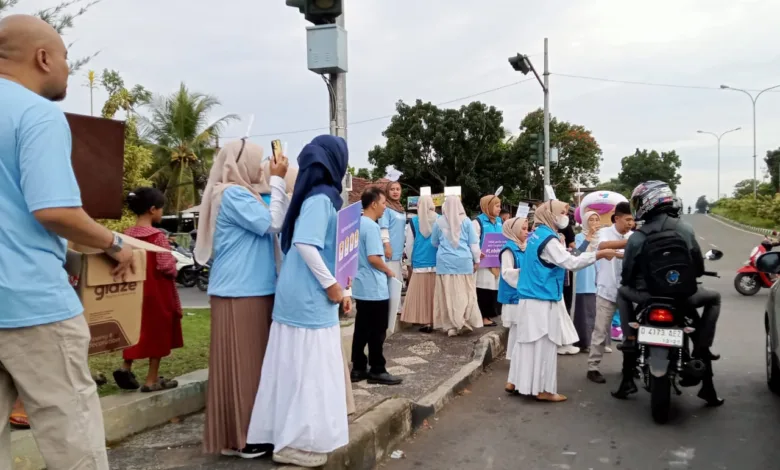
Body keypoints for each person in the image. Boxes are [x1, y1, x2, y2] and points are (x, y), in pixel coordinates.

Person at [0, 14, 136, 470]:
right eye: (64, 58)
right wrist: (114, 243)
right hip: (32, 306)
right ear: (43, 58)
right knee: (71, 437)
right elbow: (53, 210)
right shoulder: (36, 114)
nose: (66, 69)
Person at [246, 135, 350, 468]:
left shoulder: (310, 197)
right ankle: (295, 443)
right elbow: (306, 245)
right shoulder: (322, 199)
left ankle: (281, 434)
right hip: (309, 296)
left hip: (296, 294)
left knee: (291, 367)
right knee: (309, 369)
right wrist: (333, 286)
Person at [196, 140, 291, 458]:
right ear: (240, 164)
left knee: (251, 367)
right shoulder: (233, 194)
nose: (260, 166)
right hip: (241, 291)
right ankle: (244, 437)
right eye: (255, 160)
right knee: (244, 368)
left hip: (250, 290)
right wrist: (278, 180)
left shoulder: (242, 194)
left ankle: (247, 433)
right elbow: (272, 223)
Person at [613, 181, 724, 406]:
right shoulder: (685, 228)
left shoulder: (636, 237)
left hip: (647, 298)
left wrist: (637, 284)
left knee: (622, 293)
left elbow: (627, 276)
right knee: (714, 298)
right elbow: (698, 268)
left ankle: (629, 343)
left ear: (648, 203)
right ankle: (705, 361)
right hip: (683, 298)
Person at [507, 200, 616, 402]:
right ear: (550, 214)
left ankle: (516, 382)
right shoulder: (548, 240)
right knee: (545, 345)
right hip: (542, 298)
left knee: (526, 344)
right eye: (562, 212)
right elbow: (570, 262)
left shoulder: (536, 235)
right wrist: (599, 254)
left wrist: (592, 249)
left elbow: (567, 256)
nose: (565, 215)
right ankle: (544, 390)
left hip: (530, 297)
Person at [113, 188, 183, 392]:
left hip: (133, 291)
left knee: (133, 329)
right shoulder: (158, 237)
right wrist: (173, 259)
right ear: (153, 210)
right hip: (157, 291)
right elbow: (166, 266)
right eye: (161, 208)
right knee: (158, 332)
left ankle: (126, 367)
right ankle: (151, 379)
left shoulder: (125, 235)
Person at [350, 187, 403, 386]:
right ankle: (377, 368)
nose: (384, 208)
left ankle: (358, 367)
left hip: (361, 284)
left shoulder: (356, 224)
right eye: (382, 203)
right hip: (374, 286)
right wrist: (388, 270)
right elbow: (373, 257)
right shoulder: (371, 226)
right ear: (373, 204)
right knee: (377, 330)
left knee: (361, 328)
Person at [586, 202, 634, 384]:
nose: (630, 223)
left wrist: (629, 244)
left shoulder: (632, 236)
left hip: (628, 293)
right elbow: (603, 246)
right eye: (627, 219)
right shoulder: (605, 233)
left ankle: (628, 367)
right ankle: (593, 367)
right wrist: (630, 244)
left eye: (632, 220)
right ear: (617, 218)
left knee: (630, 333)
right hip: (606, 290)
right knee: (600, 331)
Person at [431, 195, 483, 337]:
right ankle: (464, 321)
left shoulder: (439, 222)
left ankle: (450, 326)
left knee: (447, 294)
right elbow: (474, 244)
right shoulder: (466, 222)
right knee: (465, 293)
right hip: (464, 262)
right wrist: (477, 260)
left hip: (445, 262)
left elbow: (434, 242)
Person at [498, 217, 528, 394]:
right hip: (514, 293)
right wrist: (525, 274)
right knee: (517, 327)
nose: (526, 231)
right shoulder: (509, 249)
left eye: (527, 228)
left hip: (521, 292)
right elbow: (507, 273)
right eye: (523, 229)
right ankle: (515, 359)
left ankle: (515, 358)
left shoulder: (523, 247)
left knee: (519, 328)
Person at [401, 194, 439, 332]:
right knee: (436, 293)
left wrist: (409, 261)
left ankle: (426, 322)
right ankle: (437, 320)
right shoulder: (439, 220)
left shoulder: (414, 221)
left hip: (420, 262)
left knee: (422, 295)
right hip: (437, 261)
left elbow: (409, 244)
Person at [473, 194, 503, 326]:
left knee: (494, 288)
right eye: (497, 206)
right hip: (484, 263)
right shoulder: (478, 222)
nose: (499, 209)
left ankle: (492, 313)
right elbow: (473, 242)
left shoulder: (499, 222)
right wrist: (478, 253)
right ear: (488, 206)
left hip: (496, 261)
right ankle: (483, 316)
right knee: (483, 288)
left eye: (499, 206)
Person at [572, 211, 600, 351]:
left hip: (597, 278)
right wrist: (588, 238)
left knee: (595, 313)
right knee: (583, 312)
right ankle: (584, 342)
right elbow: (575, 255)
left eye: (596, 219)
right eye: (591, 220)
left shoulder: (601, 238)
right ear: (585, 222)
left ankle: (597, 343)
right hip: (584, 278)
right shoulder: (579, 236)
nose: (594, 222)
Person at [380, 181, 406, 285]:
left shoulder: (400, 208)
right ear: (387, 191)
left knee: (397, 283)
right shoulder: (386, 208)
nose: (395, 192)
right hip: (389, 252)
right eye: (392, 189)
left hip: (399, 252)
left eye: (398, 189)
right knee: (391, 282)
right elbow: (383, 228)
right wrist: (387, 246)